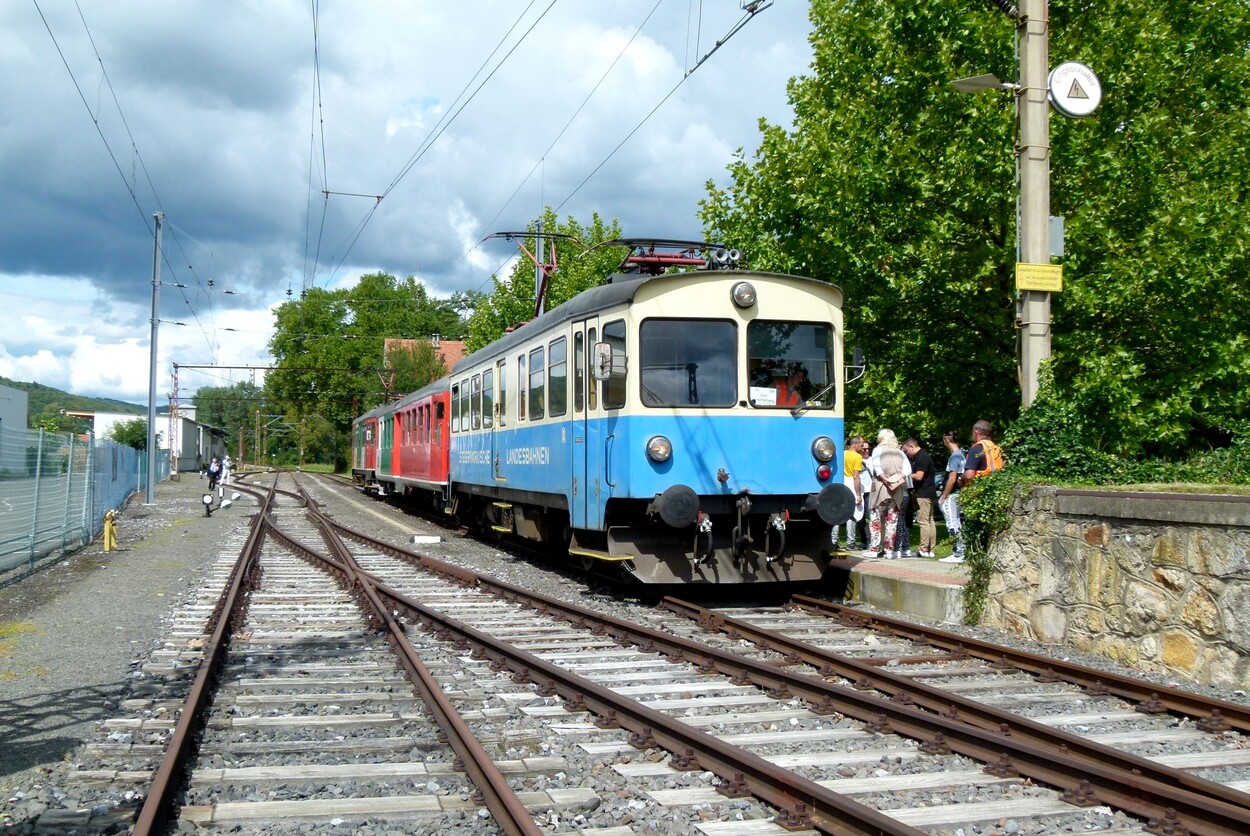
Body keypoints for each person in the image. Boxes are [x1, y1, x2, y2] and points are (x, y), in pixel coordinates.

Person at [868, 429, 911, 558]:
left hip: (881, 488)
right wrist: (897, 479)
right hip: (897, 489)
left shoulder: (878, 450)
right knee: (892, 520)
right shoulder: (900, 452)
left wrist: (886, 480)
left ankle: (874, 548)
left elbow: (876, 467)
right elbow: (907, 469)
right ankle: (889, 550)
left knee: (875, 518)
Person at [902, 437, 937, 558]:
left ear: (912, 447)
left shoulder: (921, 457)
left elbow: (919, 476)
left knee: (923, 521)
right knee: (930, 520)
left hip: (923, 493)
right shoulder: (925, 455)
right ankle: (930, 549)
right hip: (930, 492)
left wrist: (904, 475)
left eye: (906, 451)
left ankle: (923, 548)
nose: (907, 454)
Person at [938, 431, 967, 563]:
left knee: (952, 522)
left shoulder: (954, 457)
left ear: (946, 440)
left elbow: (952, 478)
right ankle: (961, 550)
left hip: (952, 494)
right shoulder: (961, 455)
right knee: (957, 522)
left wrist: (944, 496)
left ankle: (958, 553)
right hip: (959, 493)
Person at [959, 419, 1005, 487]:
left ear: (976, 432)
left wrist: (960, 478)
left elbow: (969, 475)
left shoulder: (976, 449)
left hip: (979, 491)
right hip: (997, 487)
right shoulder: (996, 447)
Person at [837, 436, 864, 549]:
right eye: (861, 445)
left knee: (837, 514)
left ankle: (833, 540)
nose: (862, 448)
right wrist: (858, 494)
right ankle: (850, 542)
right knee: (852, 515)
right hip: (851, 483)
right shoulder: (857, 457)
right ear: (855, 444)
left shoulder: (841, 454)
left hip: (841, 483)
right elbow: (856, 476)